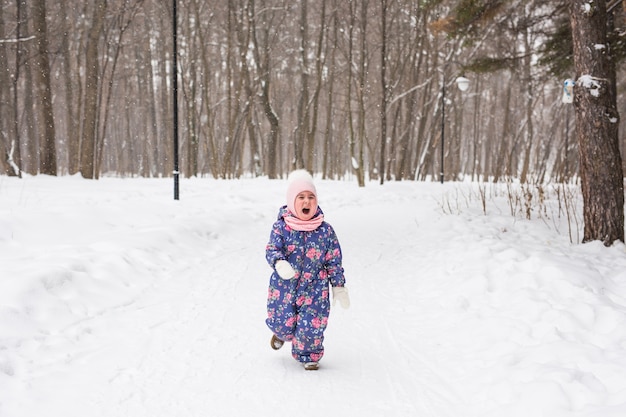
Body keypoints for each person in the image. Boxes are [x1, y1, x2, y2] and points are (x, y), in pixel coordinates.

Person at [265, 170, 350, 371]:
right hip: (284, 287)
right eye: (301, 197)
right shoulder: (281, 227)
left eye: (311, 197)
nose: (306, 201)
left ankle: (308, 354)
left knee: (312, 324)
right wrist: (279, 263)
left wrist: (339, 287)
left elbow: (334, 260)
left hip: (315, 288)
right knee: (284, 323)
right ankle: (281, 334)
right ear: (291, 201)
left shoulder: (325, 230)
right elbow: (272, 249)